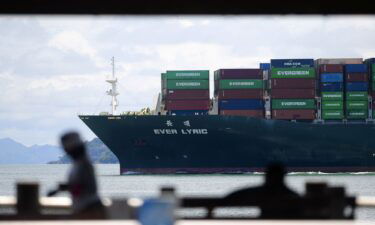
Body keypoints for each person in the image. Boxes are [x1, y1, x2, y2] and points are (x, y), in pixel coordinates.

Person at [48, 131, 106, 219]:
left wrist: (64, 187)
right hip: (82, 207)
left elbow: (87, 187)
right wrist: (62, 188)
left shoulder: (84, 165)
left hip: (89, 208)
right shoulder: (78, 164)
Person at [225, 163, 300, 218]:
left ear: (266, 176)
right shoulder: (294, 195)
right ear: (283, 175)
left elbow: (230, 198)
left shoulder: (257, 192)